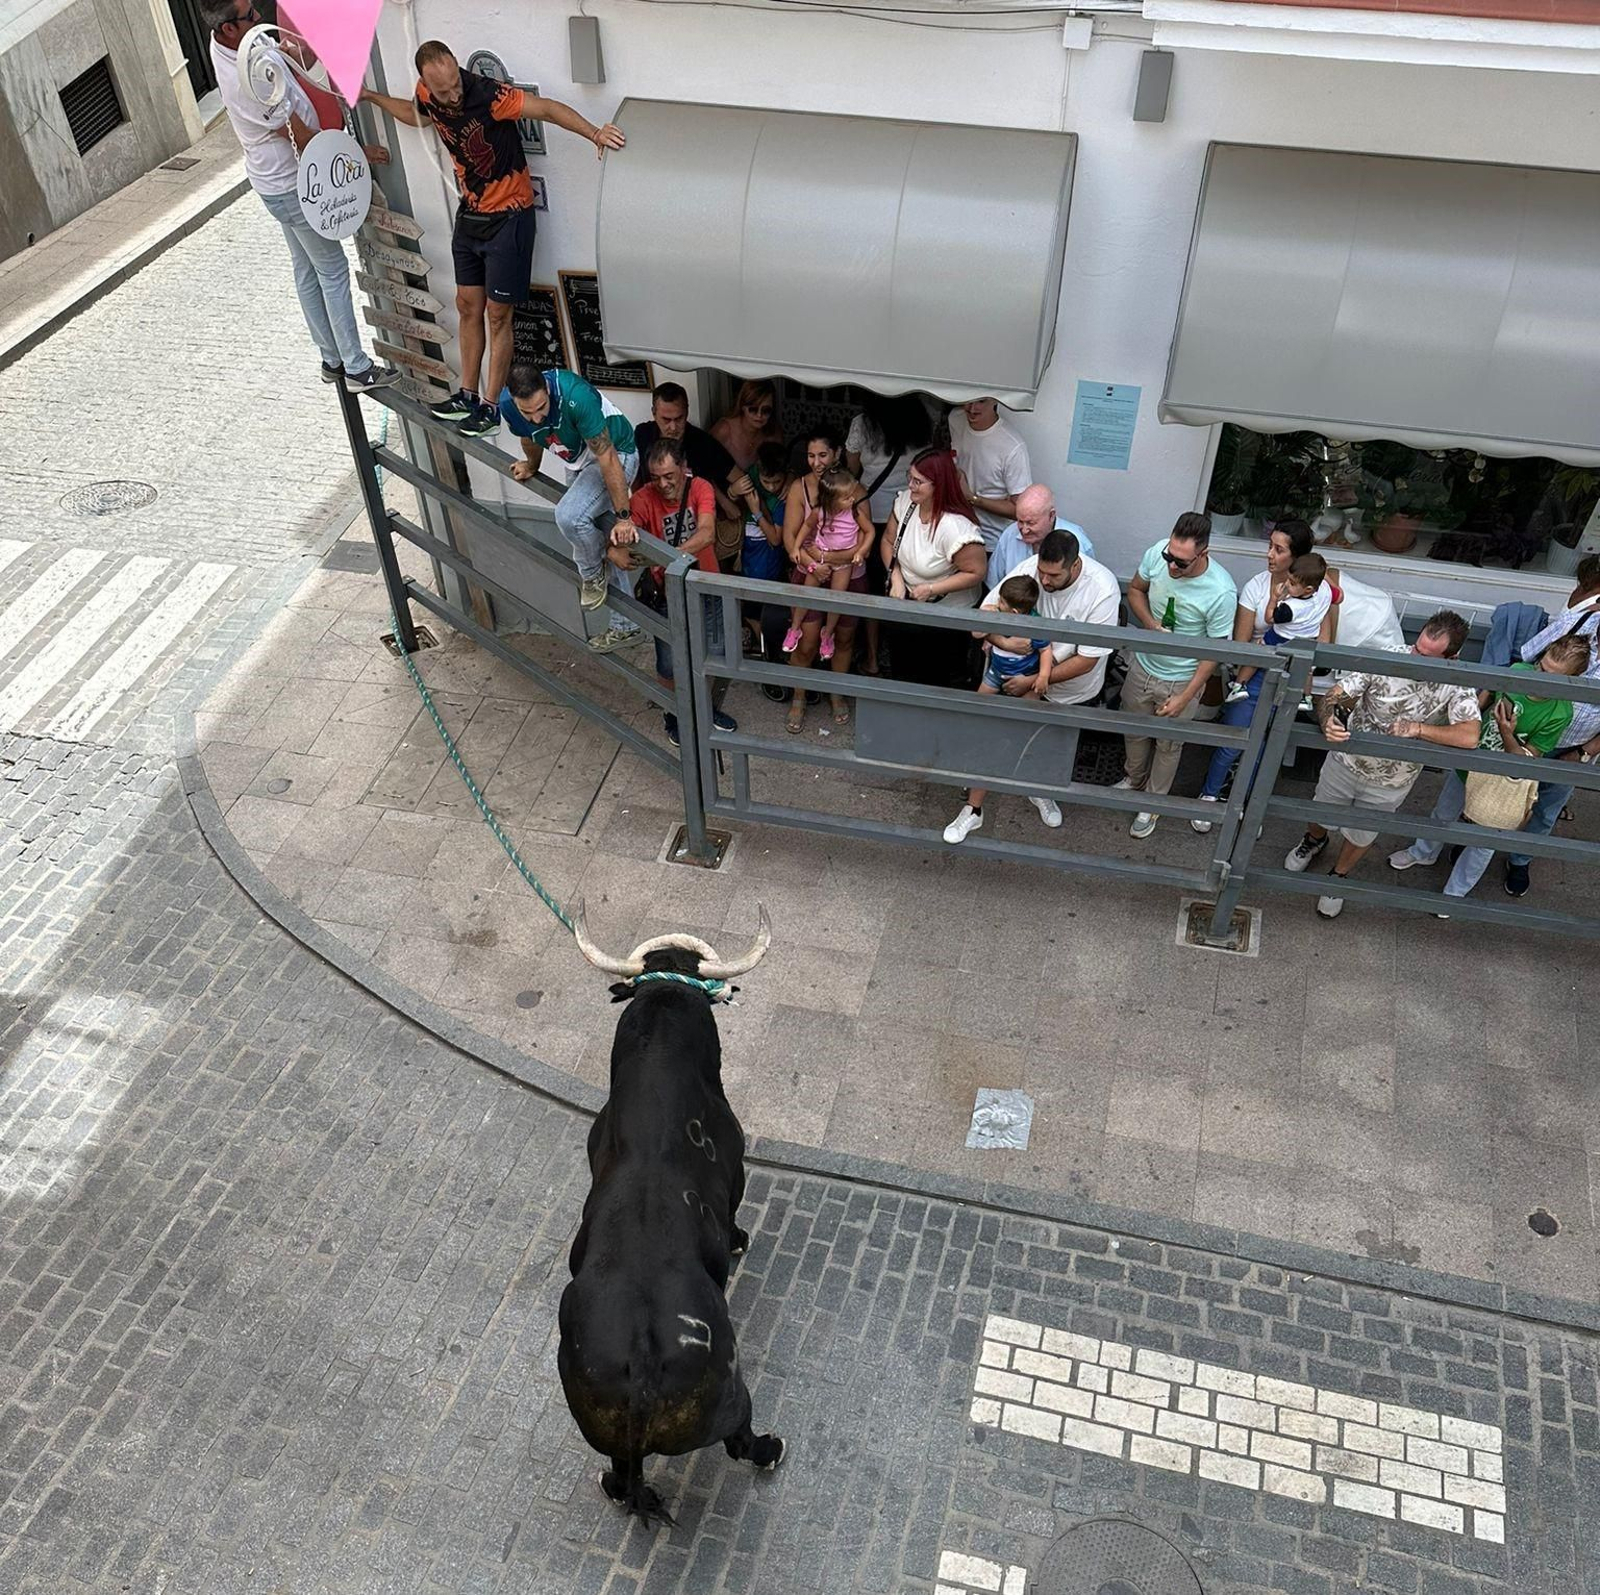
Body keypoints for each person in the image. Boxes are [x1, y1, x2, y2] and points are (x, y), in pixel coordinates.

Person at [360, 43, 624, 437]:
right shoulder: (428, 95)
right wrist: (370, 96)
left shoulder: (489, 95)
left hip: (510, 218)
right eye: (444, 91)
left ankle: (489, 407)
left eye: (455, 84)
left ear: (457, 68)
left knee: (498, 315)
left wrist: (594, 133)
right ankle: (467, 395)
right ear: (426, 83)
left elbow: (547, 109)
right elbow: (418, 116)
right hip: (471, 213)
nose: (454, 95)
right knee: (467, 305)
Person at [204, 0, 399, 391]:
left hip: (271, 182)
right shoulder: (249, 80)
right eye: (249, 16)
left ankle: (331, 358)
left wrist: (283, 52)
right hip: (293, 184)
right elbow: (303, 139)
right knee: (331, 269)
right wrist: (355, 155)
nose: (259, 18)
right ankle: (356, 367)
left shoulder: (227, 45)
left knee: (306, 267)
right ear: (227, 28)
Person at [1284, 611, 1480, 920]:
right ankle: (1314, 841)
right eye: (1416, 649)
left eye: (1427, 657)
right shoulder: (1387, 656)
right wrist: (1329, 719)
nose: (1415, 658)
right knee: (1320, 810)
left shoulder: (1458, 683)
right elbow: (1336, 695)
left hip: (1393, 779)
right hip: (1346, 759)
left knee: (1362, 833)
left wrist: (1419, 729)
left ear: (1451, 659)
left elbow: (1470, 736)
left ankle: (1338, 877)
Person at [1388, 633, 1592, 909]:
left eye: (1552, 676)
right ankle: (1423, 852)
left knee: (1484, 841)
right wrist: (1470, 714)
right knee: (1444, 812)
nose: (1540, 677)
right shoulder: (1518, 671)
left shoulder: (1560, 712)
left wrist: (1507, 732)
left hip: (1502, 783)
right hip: (1472, 762)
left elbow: (1527, 760)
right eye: (1541, 667)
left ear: (1572, 680)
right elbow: (1486, 697)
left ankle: (1454, 893)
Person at [942, 530, 1121, 844]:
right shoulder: (1030, 569)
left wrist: (1034, 679)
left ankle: (1040, 791)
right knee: (994, 736)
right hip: (1016, 678)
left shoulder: (1103, 590)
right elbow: (983, 618)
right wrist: (1005, 642)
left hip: (1069, 690)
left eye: (1054, 576)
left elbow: (1086, 661)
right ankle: (974, 808)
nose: (1045, 581)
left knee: (1050, 747)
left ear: (1075, 565)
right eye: (1042, 572)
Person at [1193, 520, 1339, 833]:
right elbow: (1242, 642)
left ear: (1297, 557)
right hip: (1259, 671)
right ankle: (1209, 794)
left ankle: (1244, 803)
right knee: (1234, 741)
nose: (1269, 554)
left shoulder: (1316, 590)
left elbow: (1324, 642)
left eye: (1278, 549)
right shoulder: (1257, 587)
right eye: (1270, 546)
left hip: (1291, 674)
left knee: (1264, 747)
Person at [499, 363, 639, 652]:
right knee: (597, 537)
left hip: (617, 453)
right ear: (513, 401)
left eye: (541, 407)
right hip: (579, 463)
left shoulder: (576, 397)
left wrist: (624, 517)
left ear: (547, 389)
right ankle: (627, 627)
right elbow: (529, 437)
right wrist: (532, 465)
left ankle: (592, 574)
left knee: (570, 517)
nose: (537, 417)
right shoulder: (508, 406)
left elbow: (608, 458)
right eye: (527, 412)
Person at [1119, 513, 1238, 839]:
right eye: (1169, 557)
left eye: (1181, 563)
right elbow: (1136, 589)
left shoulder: (1221, 591)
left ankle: (1152, 804)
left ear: (1204, 553)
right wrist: (1150, 624)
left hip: (1182, 677)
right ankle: (1134, 779)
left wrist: (1185, 697)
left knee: (1169, 746)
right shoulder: (1157, 553)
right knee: (1132, 729)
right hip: (1143, 664)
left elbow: (1214, 652)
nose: (1172, 566)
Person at [612, 438, 736, 747]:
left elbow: (706, 533)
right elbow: (620, 535)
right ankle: (673, 714)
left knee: (712, 654)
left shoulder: (700, 488)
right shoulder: (643, 498)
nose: (663, 484)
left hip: (706, 586)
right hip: (667, 595)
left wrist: (669, 557)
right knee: (669, 663)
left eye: (669, 476)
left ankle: (703, 709)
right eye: (656, 478)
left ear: (684, 468)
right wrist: (615, 549)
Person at [1501, 554, 1600, 897]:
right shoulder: (1580, 620)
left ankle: (1519, 859)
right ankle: (1475, 842)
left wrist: (1585, 753)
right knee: (1502, 789)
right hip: (1527, 731)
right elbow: (1529, 656)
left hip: (1574, 747)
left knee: (1546, 808)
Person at [761, 430, 862, 733]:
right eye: (811, 456)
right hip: (810, 572)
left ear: (837, 454)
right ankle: (799, 697)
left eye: (823, 455)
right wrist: (813, 565)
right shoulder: (799, 488)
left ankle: (836, 694)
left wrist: (828, 558)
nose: (816, 462)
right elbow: (791, 539)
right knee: (806, 640)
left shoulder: (854, 489)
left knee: (844, 638)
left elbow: (865, 540)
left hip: (848, 574)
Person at [880, 451, 989, 693]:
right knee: (903, 670)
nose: (910, 485)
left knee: (936, 678)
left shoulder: (956, 528)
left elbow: (976, 572)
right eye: (909, 477)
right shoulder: (906, 502)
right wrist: (896, 576)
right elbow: (888, 540)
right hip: (908, 603)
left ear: (938, 485)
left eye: (918, 481)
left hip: (945, 617)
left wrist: (931, 588)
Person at [846, 394, 937, 675]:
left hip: (869, 516)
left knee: (871, 587)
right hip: (908, 515)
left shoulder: (862, 424)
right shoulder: (924, 419)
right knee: (904, 582)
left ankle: (872, 658)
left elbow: (852, 471)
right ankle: (903, 659)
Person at [631, 384, 744, 567]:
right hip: (656, 533)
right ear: (654, 413)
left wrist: (731, 498)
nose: (673, 427)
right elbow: (635, 478)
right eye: (666, 419)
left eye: (679, 419)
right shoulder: (643, 435)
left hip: (698, 538)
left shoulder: (702, 444)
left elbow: (738, 476)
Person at [783, 466, 874, 662]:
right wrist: (796, 548)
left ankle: (828, 634)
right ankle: (795, 628)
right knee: (807, 594)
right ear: (832, 500)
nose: (852, 499)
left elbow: (870, 531)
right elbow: (806, 527)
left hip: (844, 565)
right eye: (846, 497)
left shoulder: (855, 512)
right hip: (818, 559)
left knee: (836, 599)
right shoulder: (819, 512)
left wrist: (860, 551)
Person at [1226, 552, 1331, 700]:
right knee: (1306, 670)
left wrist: (1274, 599)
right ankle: (1306, 698)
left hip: (1281, 638)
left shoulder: (1291, 607)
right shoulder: (1325, 591)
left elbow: (1269, 618)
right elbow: (1337, 594)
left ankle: (1239, 686)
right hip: (1307, 641)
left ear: (1308, 589)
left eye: (1292, 583)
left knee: (1258, 655)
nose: (1287, 584)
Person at [949, 398, 1032, 549]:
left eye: (981, 401)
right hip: (956, 533)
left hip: (991, 542)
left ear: (995, 400)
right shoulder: (955, 418)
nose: (972, 408)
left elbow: (1021, 510)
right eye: (969, 400)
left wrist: (973, 498)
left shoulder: (1012, 446)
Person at [738, 442, 791, 653]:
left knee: (761, 613)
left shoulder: (781, 502)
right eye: (766, 482)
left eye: (777, 481)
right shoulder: (751, 477)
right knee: (750, 610)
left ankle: (767, 649)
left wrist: (756, 511)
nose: (771, 487)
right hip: (748, 566)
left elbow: (776, 539)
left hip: (766, 570)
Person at [987, 485, 1093, 589]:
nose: (1024, 530)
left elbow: (1085, 589)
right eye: (1020, 521)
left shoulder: (1078, 543)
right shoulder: (1010, 534)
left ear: (1051, 515)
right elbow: (994, 583)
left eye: (1030, 523)